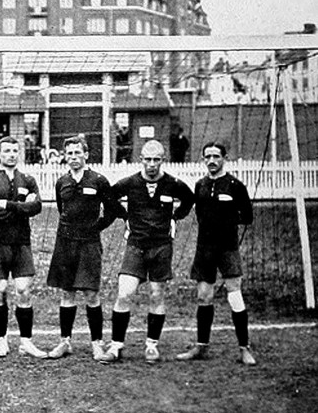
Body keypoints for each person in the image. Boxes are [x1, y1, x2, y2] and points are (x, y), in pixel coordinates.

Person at [97, 140, 195, 364]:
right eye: (147, 159)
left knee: (156, 294)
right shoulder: (130, 182)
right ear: (140, 159)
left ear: (163, 160)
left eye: (156, 160)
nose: (151, 164)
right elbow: (109, 197)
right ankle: (116, 346)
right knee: (124, 293)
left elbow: (189, 199)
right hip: (136, 246)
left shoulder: (173, 184)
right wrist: (124, 215)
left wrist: (175, 217)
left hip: (161, 247)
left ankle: (152, 345)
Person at [177, 142, 257, 365]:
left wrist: (227, 223)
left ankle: (244, 348)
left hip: (228, 249)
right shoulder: (200, 185)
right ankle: (201, 347)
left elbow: (247, 216)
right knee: (204, 296)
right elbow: (200, 215)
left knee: (235, 295)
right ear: (203, 159)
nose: (211, 161)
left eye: (216, 156)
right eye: (207, 157)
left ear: (225, 158)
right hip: (205, 249)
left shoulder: (235, 186)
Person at [45, 135, 122, 361]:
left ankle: (97, 344)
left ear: (86, 155)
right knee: (67, 292)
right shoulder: (62, 182)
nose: (73, 157)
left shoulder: (98, 180)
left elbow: (112, 210)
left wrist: (95, 227)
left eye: (78, 153)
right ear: (65, 157)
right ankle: (65, 341)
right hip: (65, 243)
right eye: (69, 153)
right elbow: (62, 209)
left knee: (91, 293)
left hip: (89, 243)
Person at [0, 136, 46, 359]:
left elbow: (36, 207)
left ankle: (26, 342)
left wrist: (7, 204)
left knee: (23, 290)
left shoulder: (27, 179)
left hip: (21, 242)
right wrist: (21, 206)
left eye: (14, 151)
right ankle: (1, 340)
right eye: (6, 151)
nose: (11, 154)